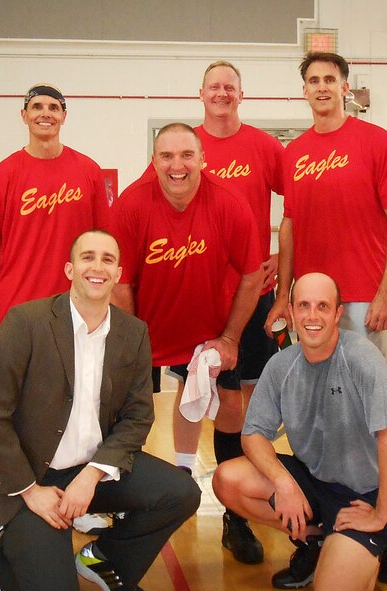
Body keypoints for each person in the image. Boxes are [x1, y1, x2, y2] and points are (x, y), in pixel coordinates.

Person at [0, 230, 200, 591]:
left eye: (107, 259)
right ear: (70, 269)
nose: (97, 267)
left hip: (91, 472)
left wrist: (91, 476)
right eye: (88, 257)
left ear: (118, 273)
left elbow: (138, 417)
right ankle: (2, 550)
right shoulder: (26, 322)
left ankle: (104, 559)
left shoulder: (133, 333)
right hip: (32, 478)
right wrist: (30, 491)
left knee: (181, 492)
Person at [111, 121, 263, 561]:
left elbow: (252, 275)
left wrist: (231, 337)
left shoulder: (229, 204)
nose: (177, 166)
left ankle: (237, 517)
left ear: (202, 159)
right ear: (154, 161)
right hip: (147, 325)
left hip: (209, 327)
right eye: (166, 156)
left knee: (230, 408)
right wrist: (133, 343)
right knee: (127, 413)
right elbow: (121, 285)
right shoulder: (133, 205)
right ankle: (131, 502)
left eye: (186, 156)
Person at [213, 273, 387, 591]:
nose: (313, 316)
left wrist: (380, 514)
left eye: (322, 306)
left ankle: (382, 537)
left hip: (365, 498)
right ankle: (316, 540)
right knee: (227, 479)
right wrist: (284, 484)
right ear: (290, 312)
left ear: (337, 313)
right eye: (304, 305)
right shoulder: (281, 366)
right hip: (314, 485)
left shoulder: (360, 357)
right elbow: (253, 435)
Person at [265, 52, 387, 386]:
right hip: (311, 299)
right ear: (304, 91)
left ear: (345, 87)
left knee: (371, 393)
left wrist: (386, 294)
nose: (322, 87)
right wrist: (283, 295)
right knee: (320, 389)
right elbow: (289, 225)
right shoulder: (294, 152)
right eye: (313, 81)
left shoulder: (377, 142)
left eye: (329, 80)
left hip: (364, 297)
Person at [195, 60, 285, 564]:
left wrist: (282, 261)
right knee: (218, 401)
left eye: (230, 86)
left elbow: (299, 204)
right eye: (215, 86)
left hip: (254, 294)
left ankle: (242, 509)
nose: (222, 93)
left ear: (241, 95)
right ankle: (227, 504)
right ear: (201, 93)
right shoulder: (188, 144)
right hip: (203, 294)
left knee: (252, 402)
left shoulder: (264, 146)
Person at [0, 83, 110, 353]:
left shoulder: (89, 171)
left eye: (53, 108)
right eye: (37, 107)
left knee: (70, 394)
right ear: (24, 116)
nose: (45, 114)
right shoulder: (4, 173)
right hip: (14, 310)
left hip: (76, 309)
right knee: (17, 394)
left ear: (64, 117)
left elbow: (105, 245)